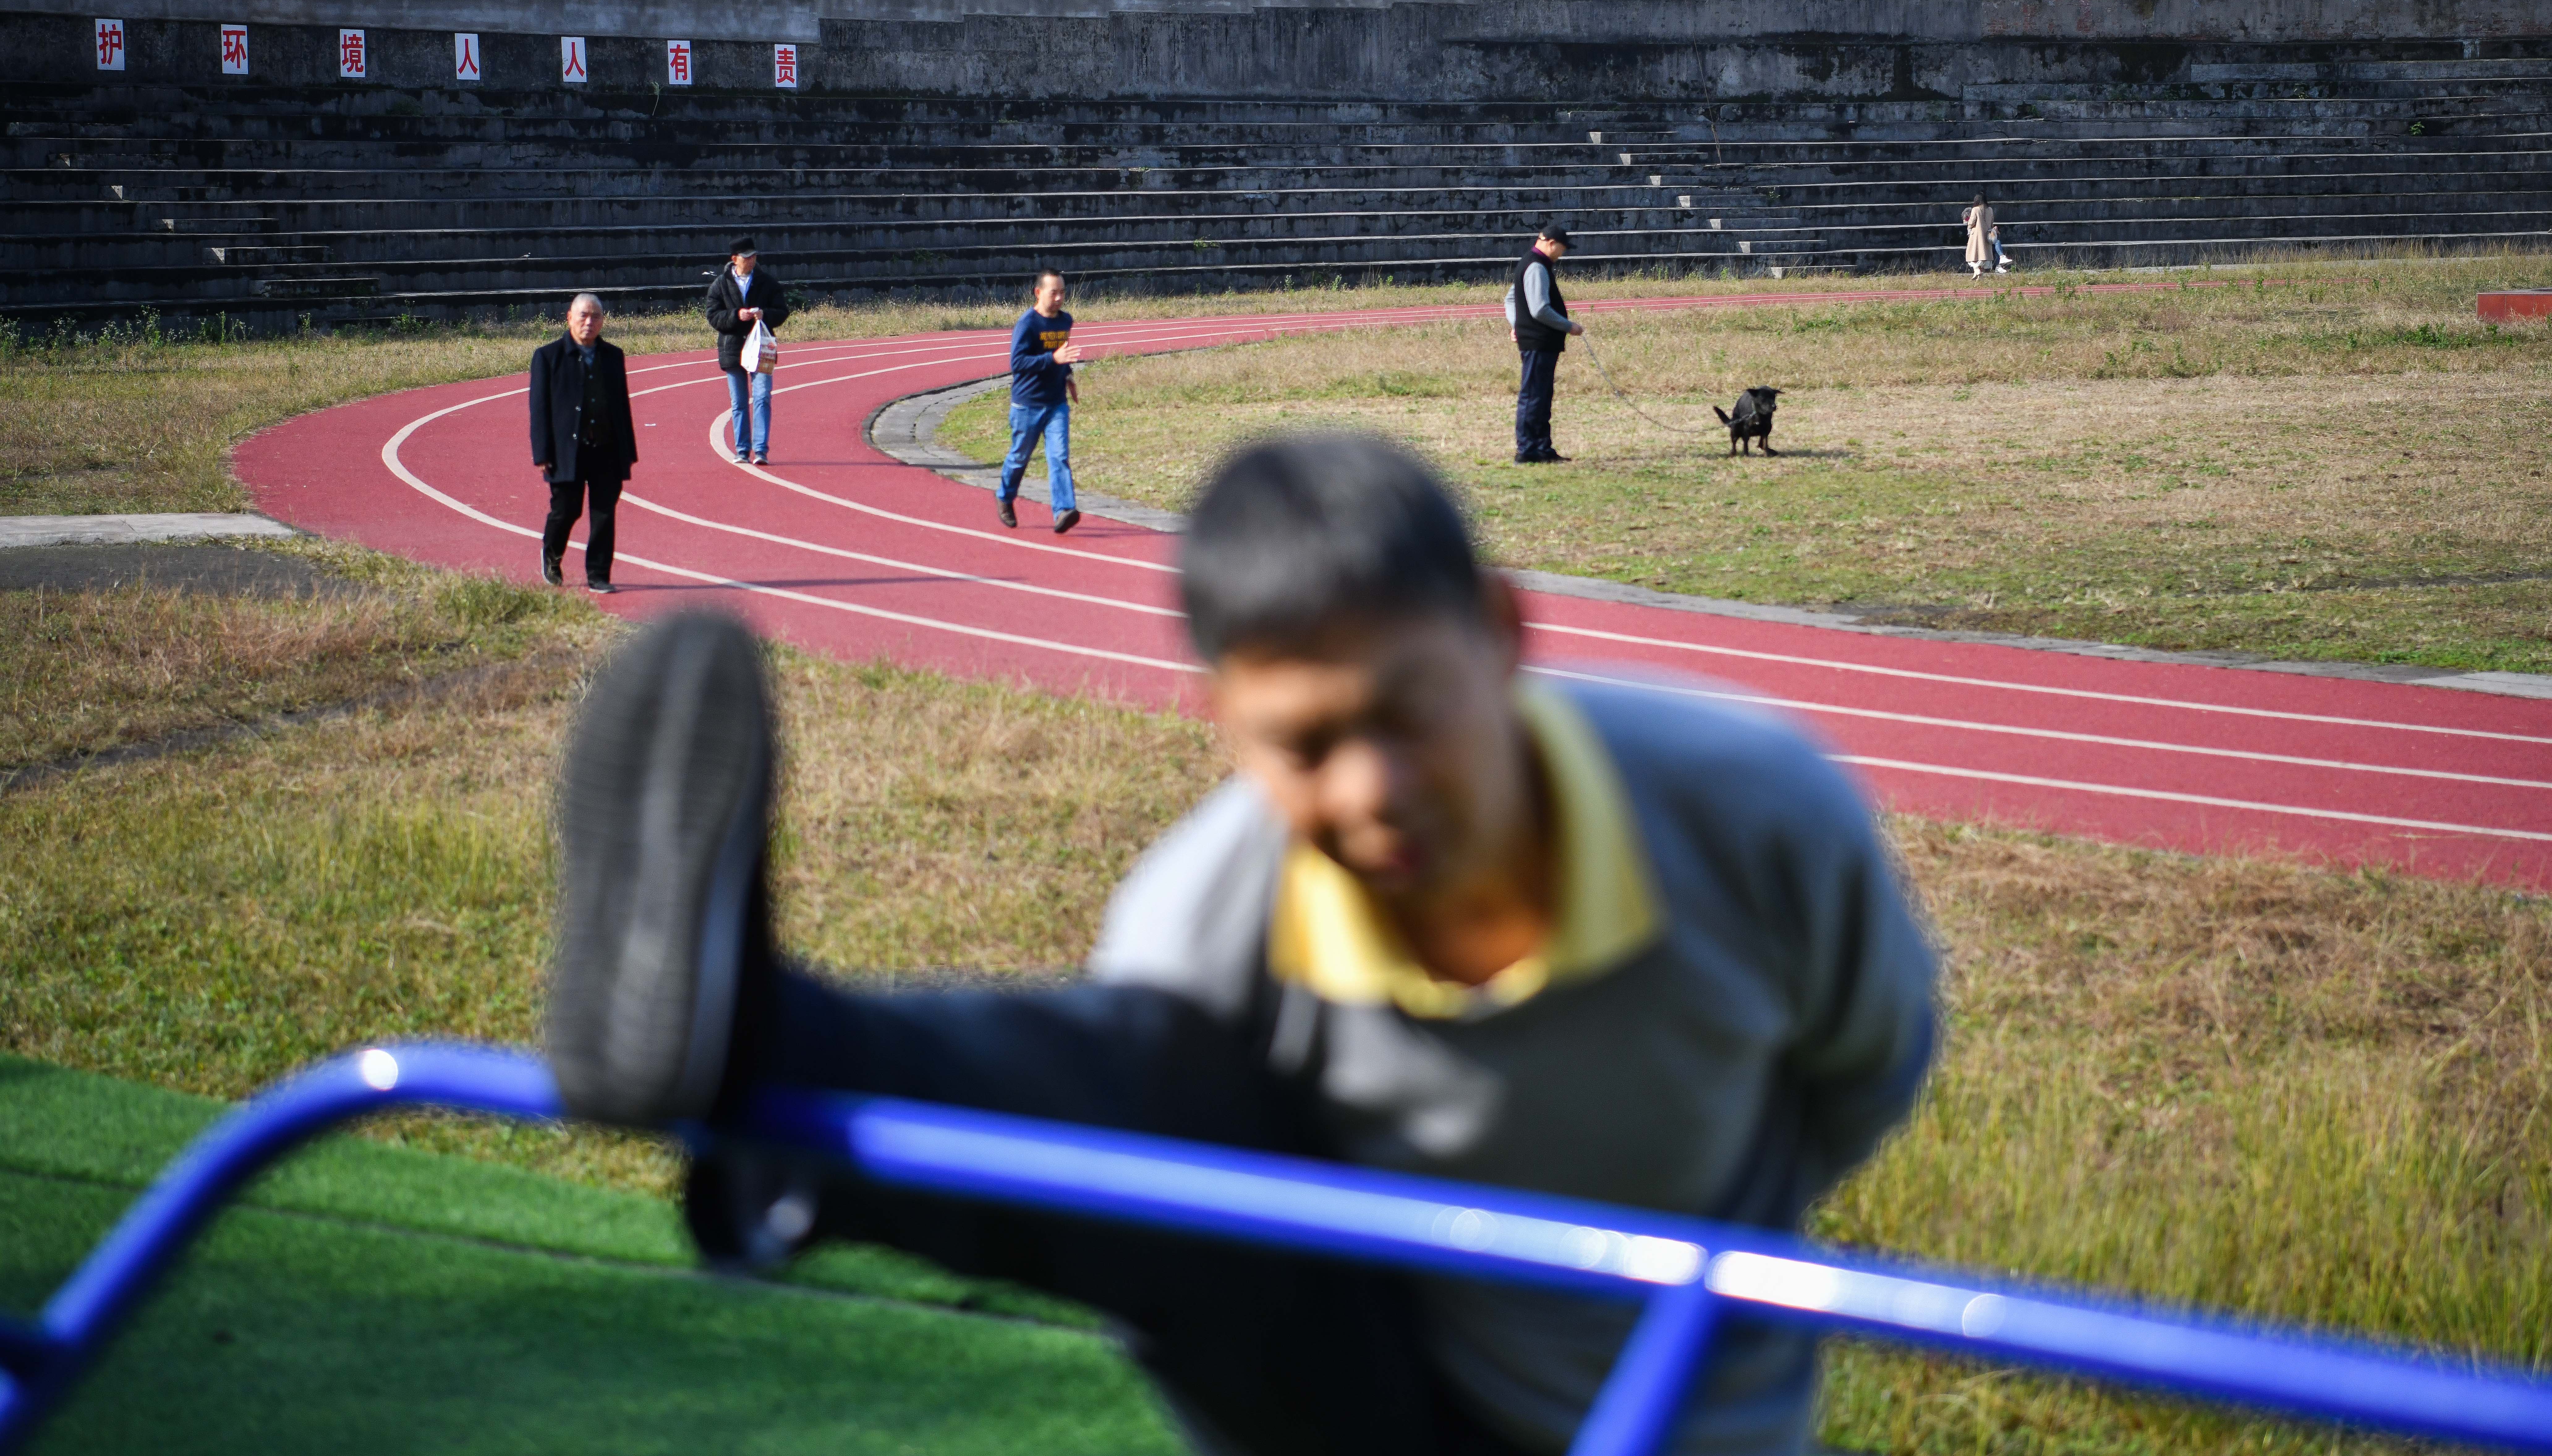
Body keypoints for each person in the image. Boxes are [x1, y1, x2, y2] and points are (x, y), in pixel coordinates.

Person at [542, 431, 1938, 1456]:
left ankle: (760, 1088)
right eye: (1308, 744)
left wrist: (1686, 1253)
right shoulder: (1206, 904)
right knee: (1150, 1080)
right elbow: (1114, 1203)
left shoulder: (1751, 813)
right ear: (1225, 726)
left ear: (1505, 636)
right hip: (1363, 1389)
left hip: (1690, 1409)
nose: (1373, 789)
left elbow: (1866, 1069)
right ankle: (760, 1041)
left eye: (1409, 712)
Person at [528, 292, 636, 594]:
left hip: (607, 449)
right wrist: (542, 452)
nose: (590, 322)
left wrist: (628, 451)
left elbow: (622, 407)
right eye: (584, 316)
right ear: (570, 318)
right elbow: (539, 410)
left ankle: (599, 574)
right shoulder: (548, 357)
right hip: (566, 452)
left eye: (596, 317)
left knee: (604, 513)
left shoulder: (614, 356)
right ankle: (552, 556)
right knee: (567, 510)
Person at [996, 268, 1082, 535]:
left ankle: (1064, 511)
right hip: (1027, 404)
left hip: (1056, 403)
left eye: (1063, 292)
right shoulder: (1027, 324)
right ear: (1038, 292)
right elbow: (1018, 363)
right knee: (1020, 457)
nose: (1059, 298)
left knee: (1059, 457)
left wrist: (1067, 375)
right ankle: (1005, 497)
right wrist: (1052, 360)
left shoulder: (1065, 321)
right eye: (1053, 292)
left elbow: (1061, 355)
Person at [706, 237, 789, 466]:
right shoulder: (720, 285)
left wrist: (765, 314)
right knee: (739, 403)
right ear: (735, 260)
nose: (751, 260)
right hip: (733, 349)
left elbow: (782, 311)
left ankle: (761, 450)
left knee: (763, 396)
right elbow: (713, 316)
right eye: (746, 257)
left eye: (754, 256)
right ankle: (742, 450)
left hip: (762, 348)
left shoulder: (768, 282)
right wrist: (736, 316)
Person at [1504, 227, 1583, 464]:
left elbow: (1510, 298)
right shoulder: (1537, 266)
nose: (1563, 253)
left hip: (1539, 341)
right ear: (1550, 243)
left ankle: (1542, 447)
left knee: (1542, 394)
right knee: (1534, 396)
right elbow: (1540, 309)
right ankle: (1527, 450)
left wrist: (1517, 324)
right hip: (1539, 342)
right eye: (1563, 248)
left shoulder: (1532, 263)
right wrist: (1568, 326)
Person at [1962, 195, 2010, 279]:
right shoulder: (1990, 210)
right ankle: (1981, 277)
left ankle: (1977, 270)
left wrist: (1968, 224)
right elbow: (1992, 223)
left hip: (1976, 236)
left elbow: (1972, 222)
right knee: (1983, 256)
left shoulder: (1975, 209)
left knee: (1972, 255)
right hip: (1987, 236)